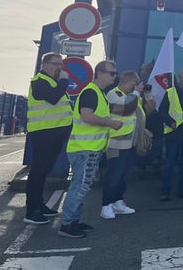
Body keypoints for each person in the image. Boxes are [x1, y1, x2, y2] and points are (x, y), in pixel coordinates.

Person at [59, 60, 123, 238]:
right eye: (111, 73)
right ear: (100, 73)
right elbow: (86, 116)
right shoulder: (91, 92)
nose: (114, 76)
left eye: (115, 73)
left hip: (88, 148)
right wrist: (109, 122)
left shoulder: (98, 93)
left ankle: (75, 220)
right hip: (84, 149)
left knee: (82, 186)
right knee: (79, 186)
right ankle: (67, 224)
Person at [24, 52, 72, 225]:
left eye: (61, 64)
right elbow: (52, 98)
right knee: (38, 172)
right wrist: (65, 82)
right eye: (56, 64)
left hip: (53, 135)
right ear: (45, 64)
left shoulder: (53, 82)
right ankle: (32, 211)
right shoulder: (39, 81)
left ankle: (40, 204)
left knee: (44, 171)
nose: (60, 67)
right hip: (43, 134)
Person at [100, 70, 141, 220]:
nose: (135, 87)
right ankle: (106, 205)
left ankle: (117, 201)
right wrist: (136, 93)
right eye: (134, 85)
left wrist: (145, 95)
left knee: (122, 175)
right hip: (116, 142)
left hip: (128, 143)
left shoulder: (129, 95)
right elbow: (127, 107)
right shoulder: (113, 94)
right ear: (128, 83)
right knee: (114, 174)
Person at [159, 67, 183, 201]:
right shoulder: (170, 92)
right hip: (174, 132)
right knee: (169, 162)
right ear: (179, 76)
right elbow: (162, 111)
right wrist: (170, 122)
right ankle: (165, 190)